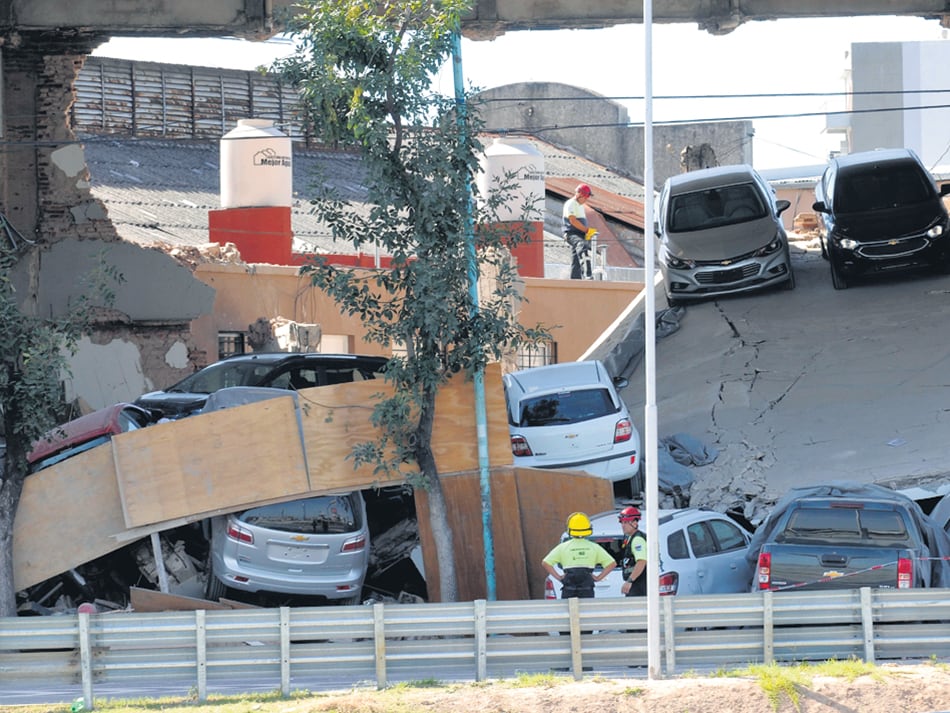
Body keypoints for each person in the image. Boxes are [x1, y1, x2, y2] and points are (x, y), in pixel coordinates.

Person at [542, 511, 617, 599]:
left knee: (570, 611)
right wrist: (598, 578)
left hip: (568, 590)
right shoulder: (594, 547)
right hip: (587, 589)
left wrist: (559, 578)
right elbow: (612, 564)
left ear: (570, 528)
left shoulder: (563, 547)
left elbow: (545, 563)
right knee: (586, 611)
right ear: (588, 528)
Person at [562, 183, 594, 279]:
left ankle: (575, 278)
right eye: (585, 197)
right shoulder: (571, 203)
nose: (586, 199)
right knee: (581, 245)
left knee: (576, 259)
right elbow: (573, 221)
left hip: (579, 234)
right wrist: (587, 230)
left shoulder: (580, 206)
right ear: (580, 195)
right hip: (571, 233)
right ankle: (588, 273)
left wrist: (586, 233)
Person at [618, 506, 647, 597]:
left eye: (626, 522)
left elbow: (641, 561)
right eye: (622, 522)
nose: (623, 525)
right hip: (636, 583)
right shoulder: (630, 538)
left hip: (639, 585)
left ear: (635, 523)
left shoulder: (637, 539)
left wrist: (630, 581)